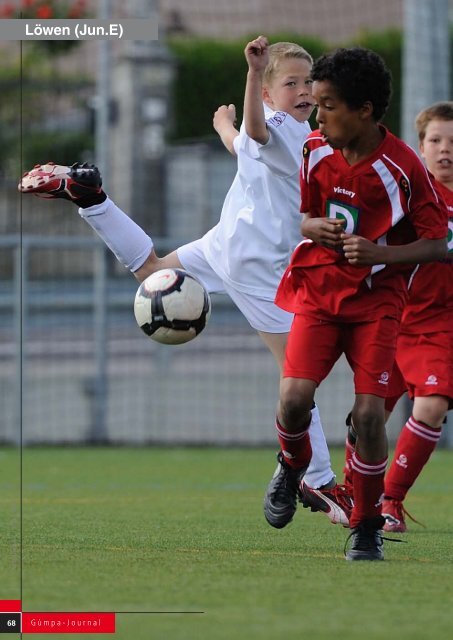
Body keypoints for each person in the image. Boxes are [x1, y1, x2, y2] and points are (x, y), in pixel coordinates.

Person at [18, 36, 352, 528]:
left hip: (226, 245)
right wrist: (253, 72)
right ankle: (318, 478)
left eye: (308, 82)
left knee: (151, 271)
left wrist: (224, 125)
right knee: (297, 377)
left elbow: (244, 141)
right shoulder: (292, 133)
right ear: (266, 92)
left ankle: (89, 197)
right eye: (291, 83)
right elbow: (258, 135)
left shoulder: (290, 130)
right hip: (262, 266)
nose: (303, 90)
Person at [269, 47, 448, 561]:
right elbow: (305, 215)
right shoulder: (315, 150)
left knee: (368, 416)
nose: (318, 116)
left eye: (327, 105)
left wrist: (381, 253)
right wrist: (311, 228)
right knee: (294, 399)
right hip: (319, 291)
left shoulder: (403, 167)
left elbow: (439, 244)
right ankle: (290, 464)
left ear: (364, 110)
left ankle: (367, 524)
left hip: (377, 302)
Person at [343, 101, 453, 533]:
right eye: (436, 140)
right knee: (366, 419)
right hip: (391, 316)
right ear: (421, 147)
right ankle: (355, 492)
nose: (446, 150)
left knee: (431, 405)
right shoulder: (407, 192)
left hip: (437, 325)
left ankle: (390, 501)